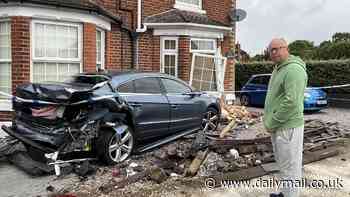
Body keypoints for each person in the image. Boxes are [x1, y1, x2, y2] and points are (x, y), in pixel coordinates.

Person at [264, 38, 308, 197]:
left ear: (286, 48)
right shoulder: (279, 68)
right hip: (280, 126)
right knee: (284, 165)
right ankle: (285, 193)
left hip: (287, 126)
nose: (273, 52)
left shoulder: (293, 70)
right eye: (271, 50)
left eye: (277, 48)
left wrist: (272, 122)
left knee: (291, 167)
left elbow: (292, 102)